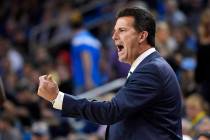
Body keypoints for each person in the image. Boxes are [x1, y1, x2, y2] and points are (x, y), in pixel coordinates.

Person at [37, 7, 182, 140]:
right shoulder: (148, 66)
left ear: (142, 36)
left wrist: (58, 98)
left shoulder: (152, 69)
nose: (114, 36)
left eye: (122, 30)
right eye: (114, 31)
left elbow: (111, 112)